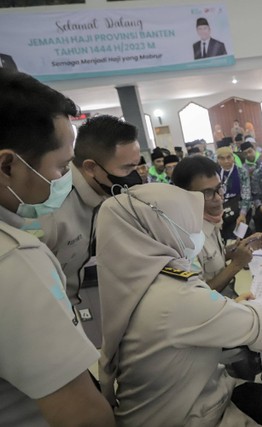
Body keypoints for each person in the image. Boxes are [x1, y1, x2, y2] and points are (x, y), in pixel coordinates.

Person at [96, 183, 262, 426]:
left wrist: (225, 308)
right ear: (160, 228)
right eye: (186, 223)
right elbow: (261, 323)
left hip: (187, 400)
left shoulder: (136, 282)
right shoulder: (175, 294)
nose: (194, 230)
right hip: (192, 416)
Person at [0, 68, 115, 426]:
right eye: (61, 167)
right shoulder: (14, 261)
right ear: (7, 165)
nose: (64, 180)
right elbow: (83, 417)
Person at [22, 115, 142, 305]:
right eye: (127, 169)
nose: (134, 176)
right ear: (91, 167)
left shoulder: (104, 196)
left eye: (137, 166)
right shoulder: (51, 208)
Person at [172, 156, 262, 293]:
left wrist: (237, 249)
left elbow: (211, 259)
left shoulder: (210, 219)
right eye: (207, 193)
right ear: (185, 195)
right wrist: (237, 264)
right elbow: (200, 295)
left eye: (219, 188)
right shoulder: (186, 239)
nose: (218, 198)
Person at [216, 146, 252, 241]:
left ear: (233, 157)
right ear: (218, 160)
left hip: (240, 208)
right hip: (222, 209)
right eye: (222, 158)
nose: (226, 161)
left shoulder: (242, 171)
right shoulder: (215, 174)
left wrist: (242, 214)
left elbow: (246, 194)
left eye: (229, 157)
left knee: (236, 232)